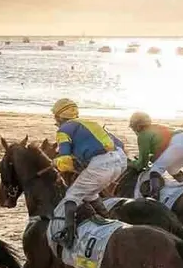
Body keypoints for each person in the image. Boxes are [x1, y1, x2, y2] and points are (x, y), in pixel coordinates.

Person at [52, 98, 127, 247]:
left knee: (71, 196)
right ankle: (109, 219)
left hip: (101, 164)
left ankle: (68, 236)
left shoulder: (63, 130)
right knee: (90, 193)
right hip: (120, 160)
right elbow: (120, 144)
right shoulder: (92, 123)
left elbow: (65, 163)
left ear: (59, 117)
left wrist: (55, 162)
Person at [129, 111, 183, 200]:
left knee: (155, 171)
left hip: (180, 144)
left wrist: (130, 163)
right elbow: (162, 153)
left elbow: (142, 163)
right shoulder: (157, 127)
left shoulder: (143, 135)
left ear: (137, 126)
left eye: (133, 128)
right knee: (173, 169)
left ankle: (154, 197)